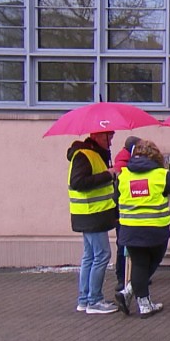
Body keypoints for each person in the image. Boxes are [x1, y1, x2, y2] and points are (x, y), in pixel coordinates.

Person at [113, 140, 170, 317]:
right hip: (156, 230)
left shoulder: (123, 176)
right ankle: (143, 304)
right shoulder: (161, 174)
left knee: (139, 264)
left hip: (130, 229)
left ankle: (128, 292)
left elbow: (116, 199)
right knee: (149, 264)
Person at [66, 131, 120, 315]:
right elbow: (78, 182)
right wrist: (108, 175)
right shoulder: (85, 155)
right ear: (97, 136)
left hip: (90, 213)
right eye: (108, 137)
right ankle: (94, 300)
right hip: (91, 214)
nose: (110, 141)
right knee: (102, 255)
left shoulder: (91, 154)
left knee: (89, 256)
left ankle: (85, 299)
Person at [112, 135, 141, 292]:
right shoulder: (124, 167)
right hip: (123, 213)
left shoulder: (122, 162)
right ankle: (123, 278)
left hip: (122, 212)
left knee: (124, 244)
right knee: (123, 245)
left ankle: (128, 277)